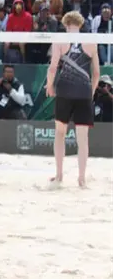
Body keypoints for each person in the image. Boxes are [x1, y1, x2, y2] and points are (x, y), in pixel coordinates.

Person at [46, 11, 100, 189]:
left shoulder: (60, 40)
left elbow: (53, 68)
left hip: (65, 91)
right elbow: (96, 73)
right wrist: (91, 92)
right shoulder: (91, 42)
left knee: (60, 134)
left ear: (65, 24)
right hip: (83, 92)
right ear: (81, 24)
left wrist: (49, 86)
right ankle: (81, 178)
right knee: (82, 139)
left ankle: (59, 175)